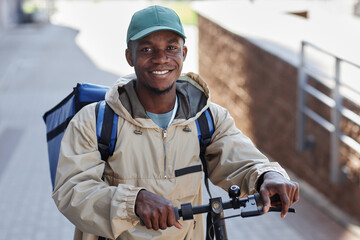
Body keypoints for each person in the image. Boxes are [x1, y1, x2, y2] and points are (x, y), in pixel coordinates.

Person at [52, 5, 299, 240]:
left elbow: (240, 158)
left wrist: (267, 175)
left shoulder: (207, 117)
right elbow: (72, 190)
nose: (161, 59)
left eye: (171, 48)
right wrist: (134, 201)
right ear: (130, 56)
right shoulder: (94, 121)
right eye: (147, 49)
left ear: (184, 53)